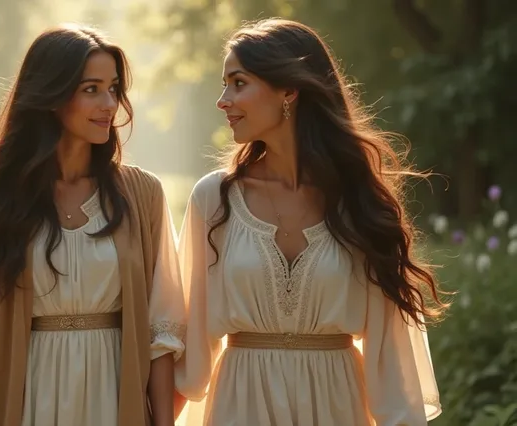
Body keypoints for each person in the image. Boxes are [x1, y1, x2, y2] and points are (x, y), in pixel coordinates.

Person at [173, 18, 448, 426]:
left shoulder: (360, 202)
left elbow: (392, 366)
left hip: (338, 409)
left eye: (238, 82)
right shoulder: (214, 200)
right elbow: (190, 351)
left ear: (289, 89)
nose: (223, 100)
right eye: (224, 84)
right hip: (239, 408)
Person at [0, 23, 185, 426]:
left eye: (114, 88)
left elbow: (162, 333)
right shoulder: (1, 198)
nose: (109, 104)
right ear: (50, 96)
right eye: (91, 89)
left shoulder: (143, 194)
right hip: (29, 397)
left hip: (113, 396)